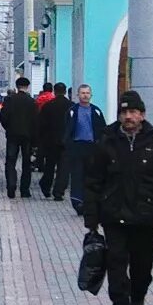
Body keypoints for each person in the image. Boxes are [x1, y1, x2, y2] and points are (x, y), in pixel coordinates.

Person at [83, 90, 153, 305]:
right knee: (116, 261)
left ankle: (138, 297)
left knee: (143, 264)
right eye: (125, 112)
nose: (129, 117)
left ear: (142, 115)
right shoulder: (106, 142)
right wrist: (91, 217)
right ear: (119, 115)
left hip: (145, 215)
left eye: (133, 112)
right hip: (113, 214)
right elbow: (92, 181)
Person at [60, 84, 106, 214]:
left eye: (87, 93)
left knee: (91, 176)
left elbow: (103, 129)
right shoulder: (72, 111)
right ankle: (78, 202)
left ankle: (91, 202)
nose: (85, 95)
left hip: (92, 148)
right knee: (77, 175)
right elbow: (67, 129)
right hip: (77, 147)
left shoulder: (96, 111)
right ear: (78, 95)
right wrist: (67, 144)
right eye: (82, 93)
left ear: (91, 95)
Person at [0, 76, 37, 198]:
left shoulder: (9, 100)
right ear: (27, 87)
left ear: (17, 86)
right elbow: (36, 121)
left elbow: (3, 118)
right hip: (27, 136)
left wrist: (8, 128)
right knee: (26, 163)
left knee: (10, 161)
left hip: (12, 135)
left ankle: (11, 187)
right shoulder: (32, 102)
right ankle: (25, 190)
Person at [37, 82, 71, 198]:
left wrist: (41, 141)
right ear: (65, 92)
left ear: (54, 92)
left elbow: (41, 124)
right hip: (66, 141)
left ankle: (45, 186)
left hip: (50, 141)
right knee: (63, 168)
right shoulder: (71, 106)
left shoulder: (48, 106)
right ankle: (59, 191)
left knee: (49, 166)